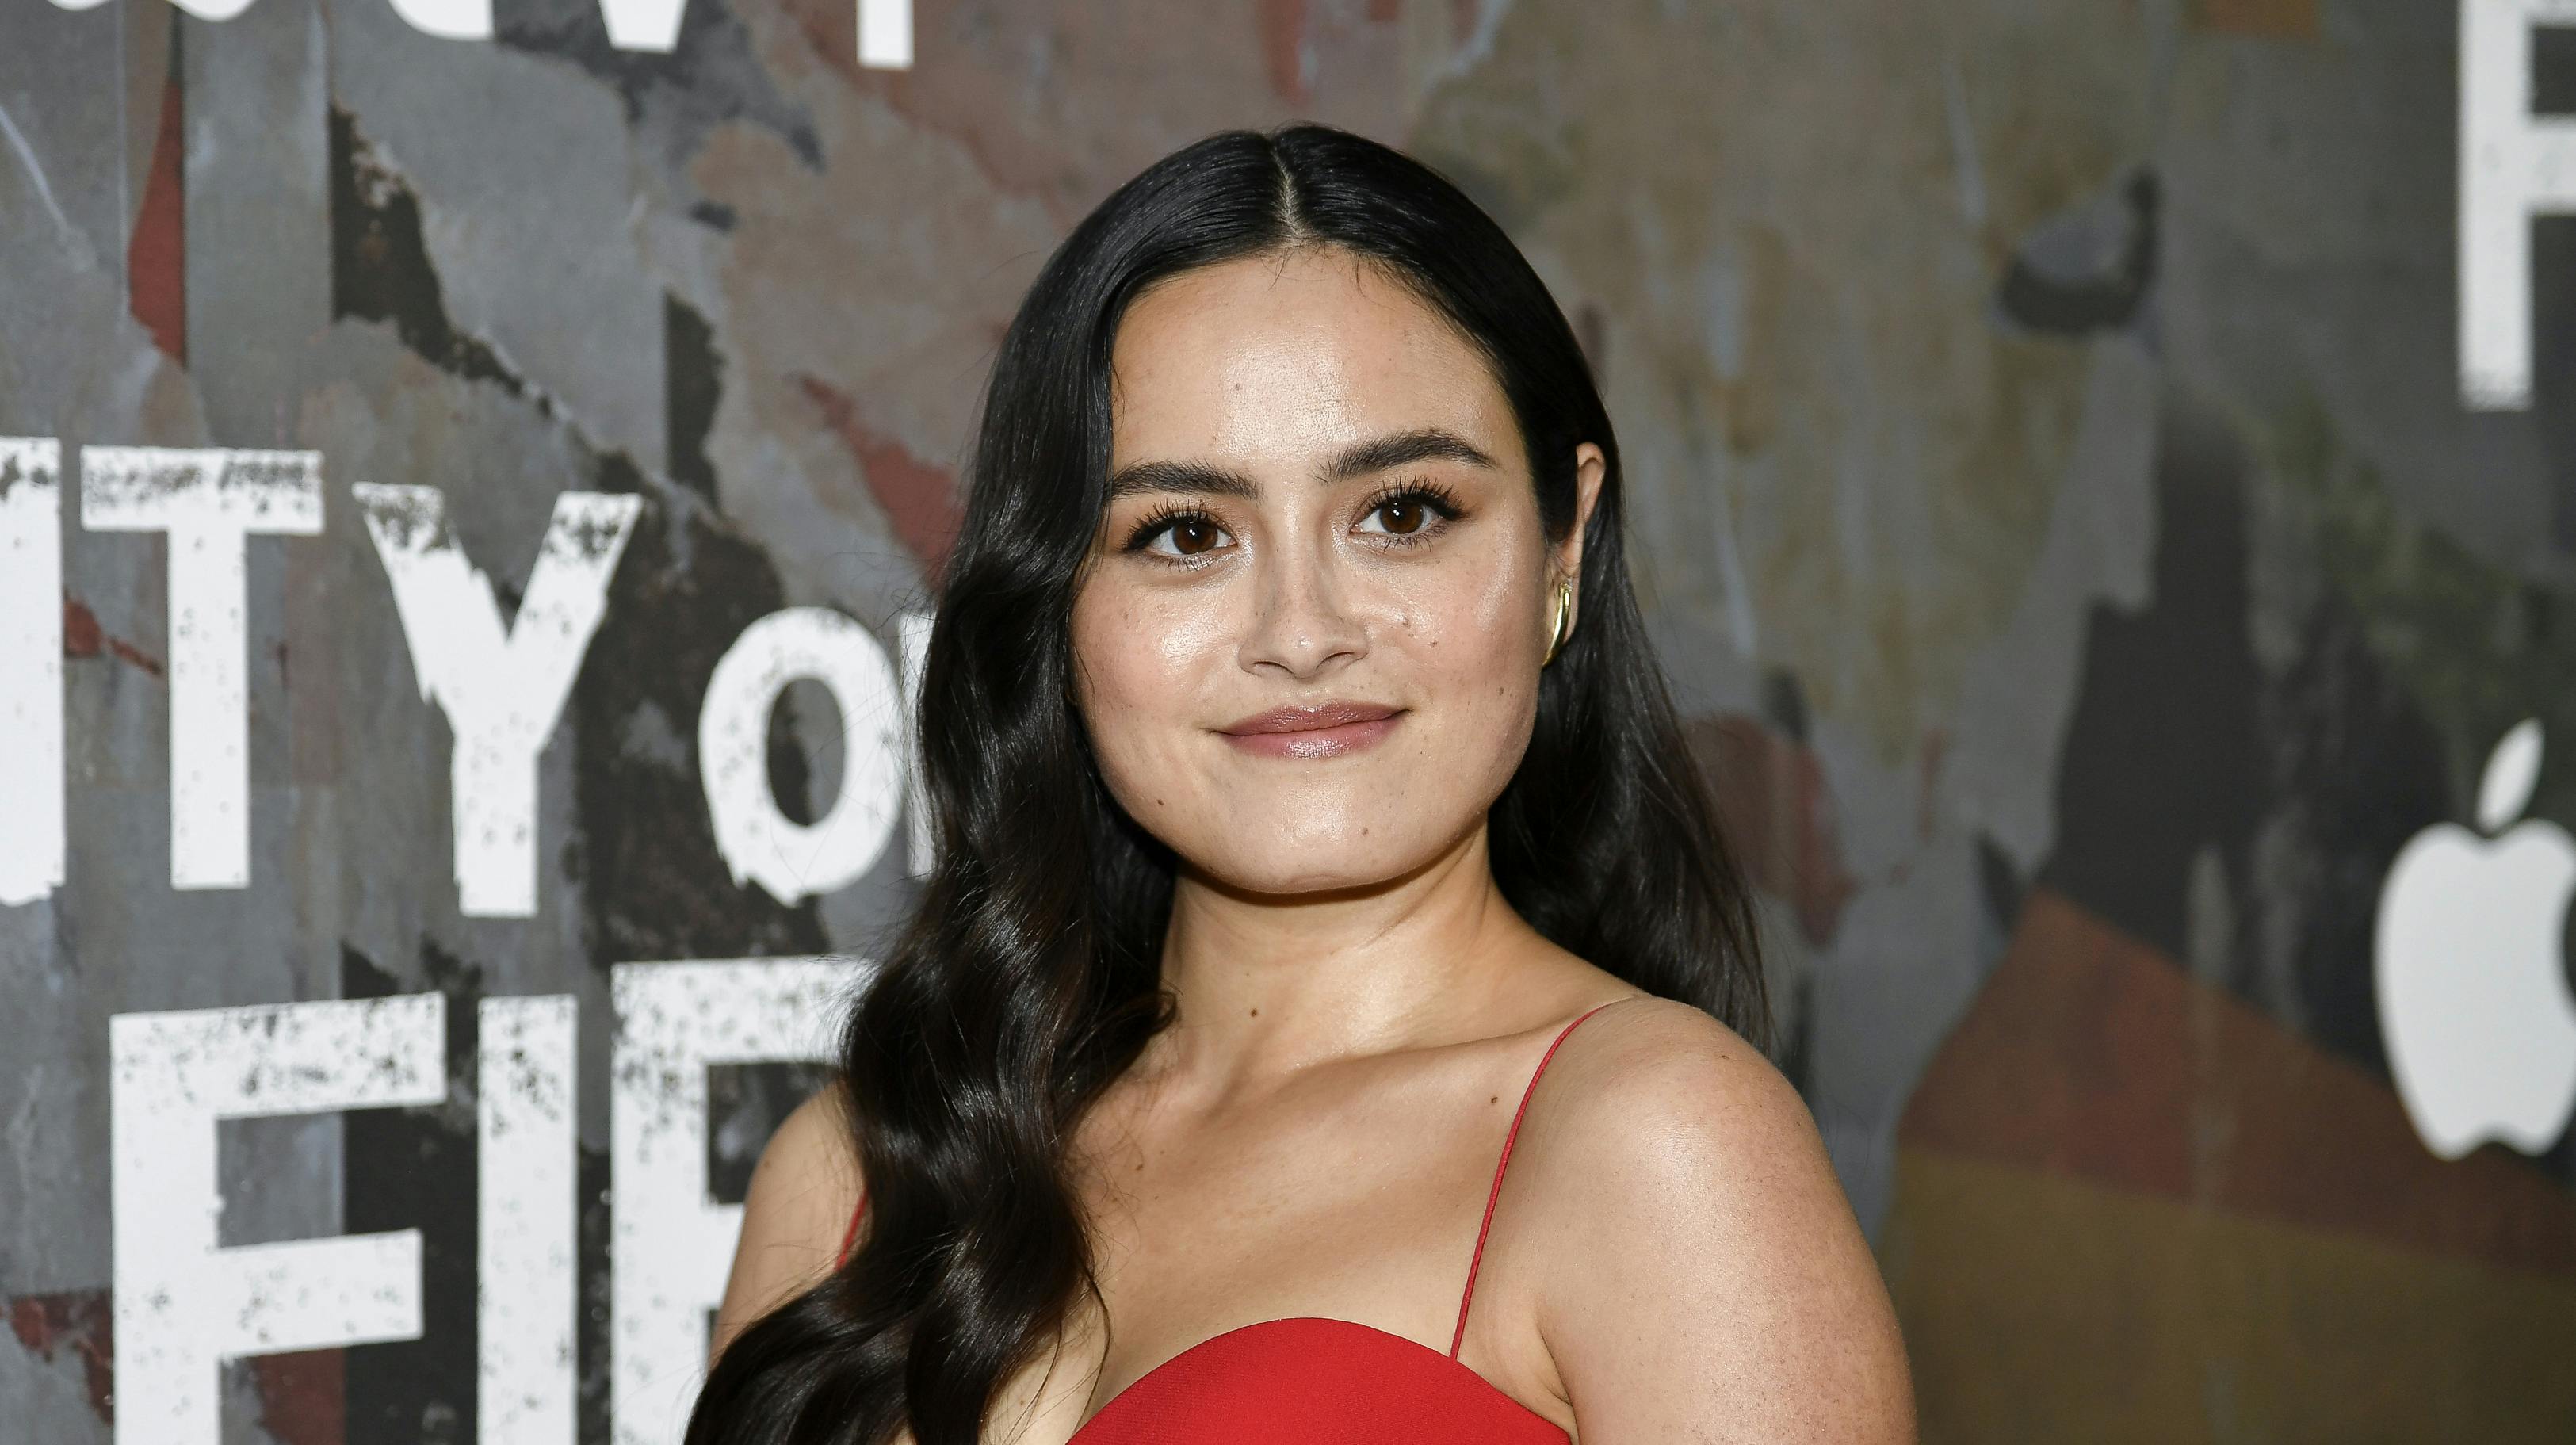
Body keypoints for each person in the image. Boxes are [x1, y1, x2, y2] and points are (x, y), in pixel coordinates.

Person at [690, 123, 1912, 1445]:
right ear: (1057, 603)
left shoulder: (1654, 1145)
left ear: (1563, 545)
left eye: (1401, 512)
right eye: (1185, 533)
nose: (1302, 628)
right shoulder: (858, 1181)